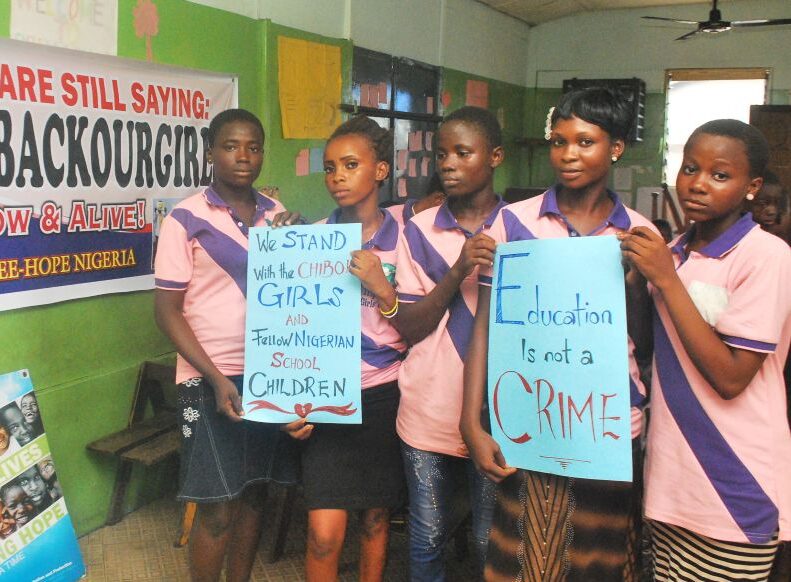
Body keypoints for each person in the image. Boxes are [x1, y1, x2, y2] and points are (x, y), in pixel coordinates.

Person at [462, 87, 655, 581]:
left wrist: (635, 283)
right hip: (530, 420)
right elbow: (484, 327)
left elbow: (646, 342)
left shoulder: (637, 233)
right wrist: (470, 420)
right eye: (559, 141)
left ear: (615, 148)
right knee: (522, 556)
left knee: (597, 560)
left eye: (586, 142)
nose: (568, 154)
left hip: (606, 425)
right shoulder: (514, 222)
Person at [620, 119, 791, 581]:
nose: (697, 184)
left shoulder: (766, 255)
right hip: (672, 479)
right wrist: (636, 281)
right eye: (690, 168)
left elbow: (732, 378)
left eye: (720, 175)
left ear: (752, 187)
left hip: (733, 480)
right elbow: (652, 349)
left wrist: (665, 279)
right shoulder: (675, 251)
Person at [154, 108, 302, 582]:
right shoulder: (185, 218)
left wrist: (300, 241)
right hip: (208, 379)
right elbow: (167, 312)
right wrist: (217, 378)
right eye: (231, 146)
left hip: (268, 371)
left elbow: (295, 296)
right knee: (217, 506)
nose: (243, 156)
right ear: (210, 153)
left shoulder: (276, 215)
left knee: (256, 493)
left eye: (253, 147)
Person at [387, 106, 505, 580]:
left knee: (488, 538)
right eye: (441, 154)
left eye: (463, 152)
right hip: (429, 405)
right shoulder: (418, 231)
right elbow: (410, 326)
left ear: (494, 156)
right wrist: (459, 269)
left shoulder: (520, 226)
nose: (449, 164)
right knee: (428, 532)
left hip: (499, 411)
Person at [296, 116, 406, 582]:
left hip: (384, 395)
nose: (337, 176)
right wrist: (288, 402)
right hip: (324, 399)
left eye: (350, 164)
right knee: (323, 534)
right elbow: (290, 328)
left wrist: (384, 288)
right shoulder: (311, 240)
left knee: (375, 520)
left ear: (380, 170)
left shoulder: (407, 238)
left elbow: (424, 322)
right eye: (329, 167)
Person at [746, 170, 790, 243]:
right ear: (746, 202)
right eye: (762, 203)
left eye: (777, 203)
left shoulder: (781, 233)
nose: (772, 211)